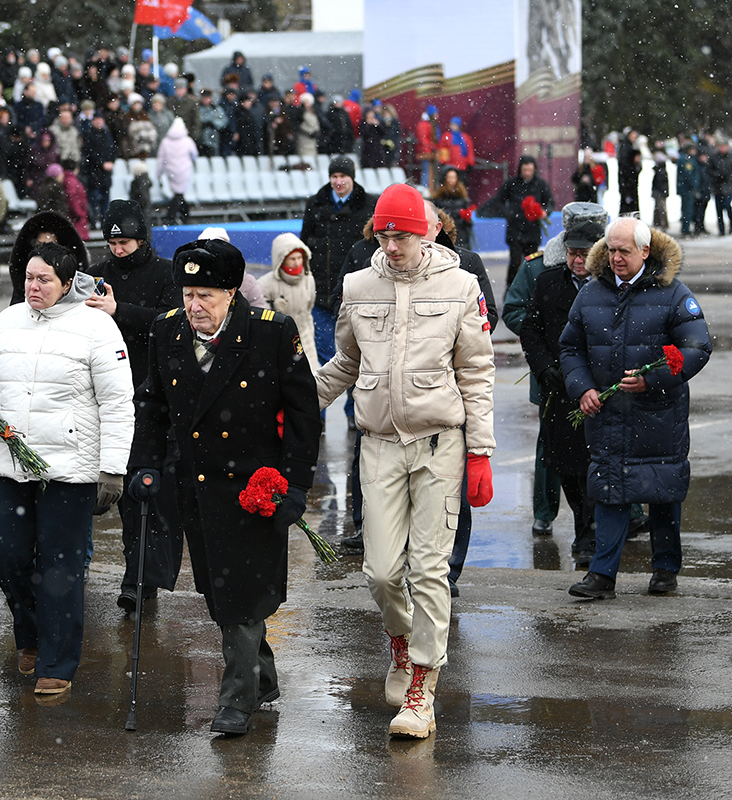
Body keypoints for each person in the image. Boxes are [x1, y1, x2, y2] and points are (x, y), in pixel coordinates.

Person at [315, 183, 495, 738]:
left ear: (427, 232)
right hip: (379, 445)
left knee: (429, 569)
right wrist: (295, 404)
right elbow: (345, 361)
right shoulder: (357, 285)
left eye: (403, 234)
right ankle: (400, 642)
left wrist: (482, 451)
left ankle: (422, 688)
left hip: (441, 443)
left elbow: (477, 372)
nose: (392, 245)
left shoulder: (462, 285)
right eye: (385, 234)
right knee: (382, 571)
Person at [128, 238, 319, 736]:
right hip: (197, 485)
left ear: (232, 293)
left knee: (240, 592)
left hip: (255, 487)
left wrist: (296, 485)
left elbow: (303, 415)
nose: (194, 306)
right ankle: (262, 675)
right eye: (188, 293)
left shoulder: (271, 335)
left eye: (206, 295)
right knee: (220, 592)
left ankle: (236, 700)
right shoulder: (166, 332)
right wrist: (144, 466)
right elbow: (152, 407)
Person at [0, 242, 134, 695]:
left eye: (43, 279)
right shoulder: (8, 320)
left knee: (60, 567)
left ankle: (57, 662)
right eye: (28, 277)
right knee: (4, 554)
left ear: (66, 283)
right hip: (11, 463)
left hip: (69, 469)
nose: (33, 286)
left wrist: (112, 469)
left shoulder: (97, 327)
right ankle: (31, 634)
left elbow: (118, 402)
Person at [560, 217, 711, 600]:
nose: (615, 258)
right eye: (610, 249)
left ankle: (664, 570)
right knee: (610, 490)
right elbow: (571, 348)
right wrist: (583, 388)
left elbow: (697, 347)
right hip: (608, 415)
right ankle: (602, 574)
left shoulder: (674, 294)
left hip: (658, 415)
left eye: (624, 250)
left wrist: (654, 379)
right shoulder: (590, 294)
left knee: (661, 491)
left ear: (645, 251)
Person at [85, 200, 181, 612]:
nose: (118, 249)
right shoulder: (98, 275)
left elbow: (172, 321)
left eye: (124, 242)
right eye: (112, 243)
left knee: (146, 492)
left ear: (141, 239)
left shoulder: (164, 273)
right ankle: (136, 575)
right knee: (119, 490)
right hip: (106, 392)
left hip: (150, 392)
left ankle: (140, 580)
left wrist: (118, 311)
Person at [502, 202, 608, 540]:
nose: (579, 259)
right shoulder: (541, 270)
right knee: (552, 450)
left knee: (607, 446)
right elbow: (519, 314)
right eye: (573, 250)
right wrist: (548, 353)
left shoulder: (609, 275)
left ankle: (611, 519)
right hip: (553, 379)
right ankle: (545, 512)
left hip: (599, 383)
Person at [300, 155, 376, 406]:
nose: (338, 181)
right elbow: (303, 244)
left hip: (355, 293)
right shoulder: (315, 204)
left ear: (351, 178)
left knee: (356, 354)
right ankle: (316, 415)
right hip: (321, 292)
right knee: (322, 354)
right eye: (334, 176)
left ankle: (355, 412)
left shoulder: (368, 206)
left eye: (343, 176)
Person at [257, 232, 318, 375]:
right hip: (278, 342)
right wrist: (273, 307)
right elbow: (258, 313)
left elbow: (309, 308)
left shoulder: (309, 279)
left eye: (299, 258)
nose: (297, 262)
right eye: (292, 259)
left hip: (306, 337)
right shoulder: (265, 284)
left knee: (312, 380)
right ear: (281, 259)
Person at [489, 155, 554, 287]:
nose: (527, 173)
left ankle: (532, 290)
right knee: (515, 262)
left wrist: (544, 212)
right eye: (525, 170)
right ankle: (511, 288)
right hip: (515, 229)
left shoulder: (540, 184)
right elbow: (498, 201)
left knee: (533, 263)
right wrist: (509, 214)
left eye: (530, 170)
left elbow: (550, 202)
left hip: (533, 230)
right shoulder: (511, 183)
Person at [157, 117, 197, 225]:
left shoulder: (165, 141)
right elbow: (194, 154)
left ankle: (179, 216)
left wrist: (159, 173)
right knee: (179, 194)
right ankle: (176, 216)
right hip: (184, 169)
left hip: (171, 170)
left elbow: (161, 158)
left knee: (178, 194)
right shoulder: (188, 141)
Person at [617, 128, 640, 216]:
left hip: (629, 181)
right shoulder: (626, 147)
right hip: (627, 181)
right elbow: (625, 165)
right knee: (627, 203)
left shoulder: (629, 146)